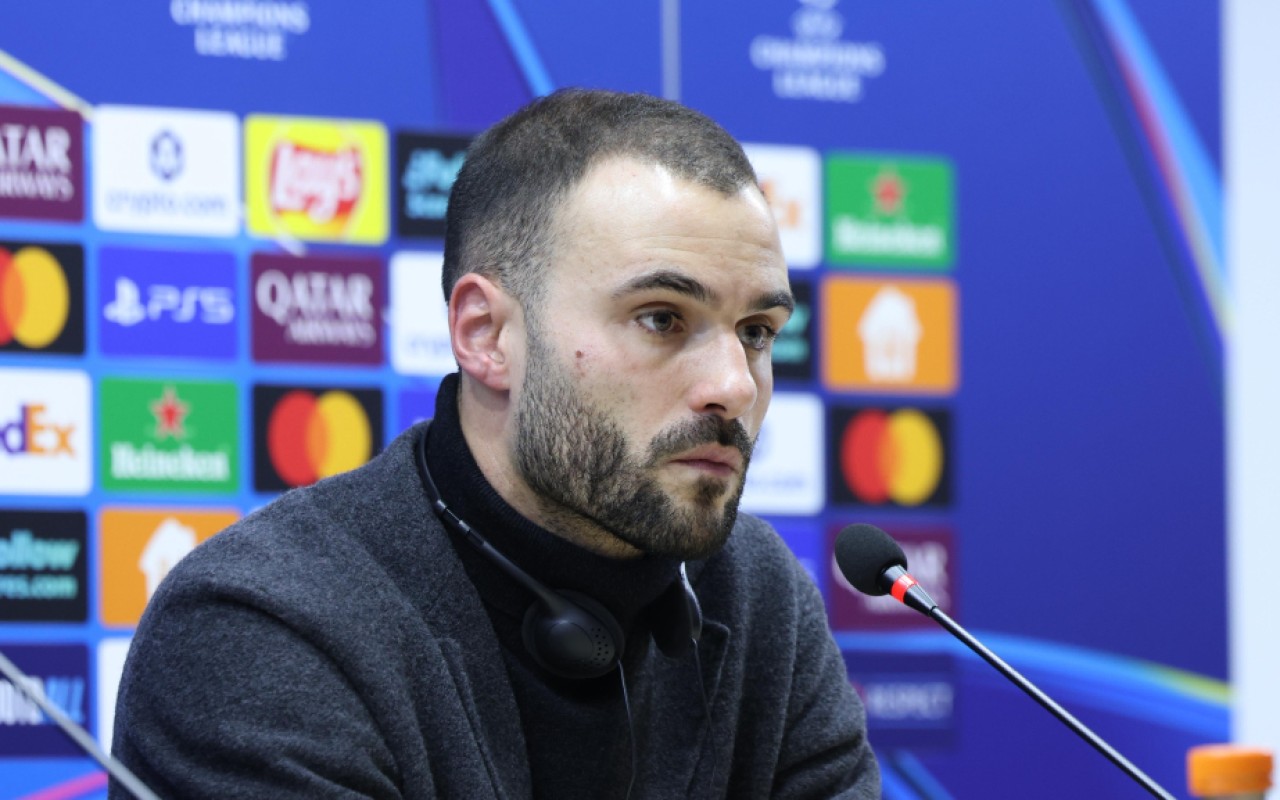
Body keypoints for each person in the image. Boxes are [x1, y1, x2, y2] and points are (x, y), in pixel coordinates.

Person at [111, 89, 881, 799]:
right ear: (486, 336)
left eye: (756, 332)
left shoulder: (759, 599)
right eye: (661, 319)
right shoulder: (263, 626)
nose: (735, 386)